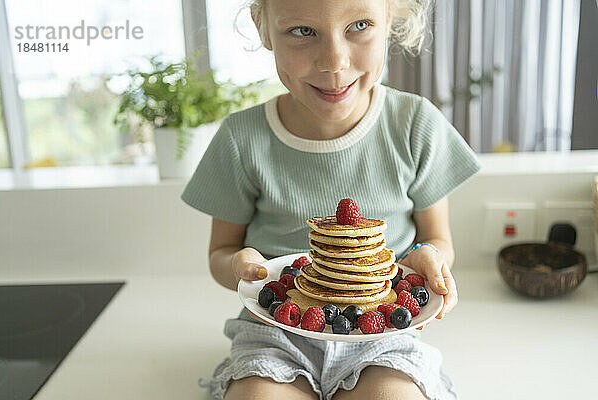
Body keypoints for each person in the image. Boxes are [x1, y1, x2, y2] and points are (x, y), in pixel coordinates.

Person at [182, 0, 481, 398]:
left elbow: (437, 241)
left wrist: (429, 257)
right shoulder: (241, 139)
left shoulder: (414, 124)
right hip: (274, 330)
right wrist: (242, 267)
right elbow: (221, 252)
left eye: (359, 25)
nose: (334, 62)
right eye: (303, 31)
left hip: (382, 327)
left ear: (389, 20)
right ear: (263, 27)